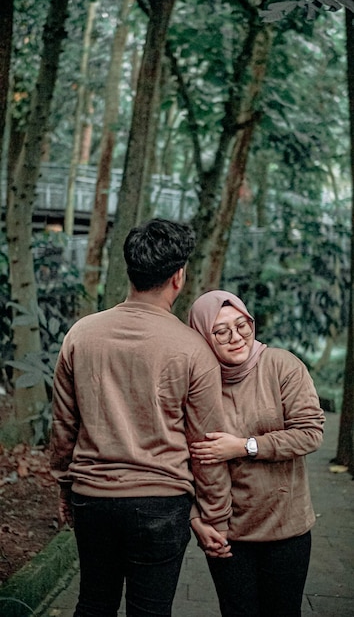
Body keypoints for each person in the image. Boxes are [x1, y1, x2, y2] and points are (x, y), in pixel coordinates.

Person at [50, 220, 232, 617]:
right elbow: (207, 445)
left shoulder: (81, 335)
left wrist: (65, 488)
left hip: (94, 498)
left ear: (130, 271)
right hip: (161, 504)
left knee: (93, 604)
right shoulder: (193, 349)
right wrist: (214, 515)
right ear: (178, 277)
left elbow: (63, 426)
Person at [188, 289, 325, 617]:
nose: (236, 337)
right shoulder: (197, 384)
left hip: (285, 529)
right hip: (227, 534)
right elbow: (181, 459)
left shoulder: (281, 366)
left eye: (243, 325)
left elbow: (310, 433)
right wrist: (195, 518)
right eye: (221, 331)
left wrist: (245, 446)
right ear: (202, 336)